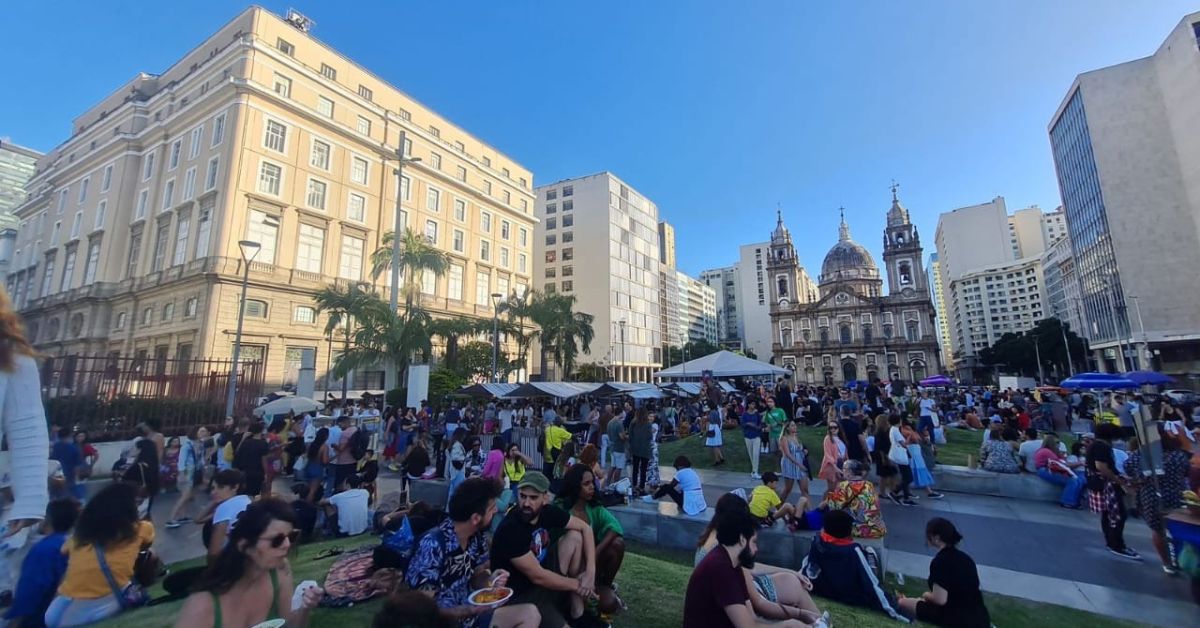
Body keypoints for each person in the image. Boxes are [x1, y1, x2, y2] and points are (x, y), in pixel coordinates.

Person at [405, 477, 539, 627]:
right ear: (475, 518)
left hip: (471, 617)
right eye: (491, 507)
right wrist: (468, 611)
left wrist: (491, 581)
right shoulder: (432, 544)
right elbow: (424, 607)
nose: (496, 510)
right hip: (442, 622)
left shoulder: (477, 537)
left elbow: (477, 576)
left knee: (530, 614)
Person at [176, 498, 323, 628]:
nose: (286, 545)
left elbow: (290, 625)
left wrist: (305, 608)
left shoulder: (279, 572)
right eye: (276, 540)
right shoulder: (202, 605)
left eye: (291, 536)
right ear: (245, 547)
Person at [489, 472, 606, 628]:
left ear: (545, 497)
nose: (526, 503)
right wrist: (581, 586)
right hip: (522, 596)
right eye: (523, 496)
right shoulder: (511, 529)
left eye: (533, 497)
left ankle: (577, 613)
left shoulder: (547, 512)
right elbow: (539, 577)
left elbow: (585, 528)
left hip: (543, 579)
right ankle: (562, 612)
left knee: (575, 537)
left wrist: (590, 573)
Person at [684, 502, 815, 628]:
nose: (756, 549)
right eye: (753, 542)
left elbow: (752, 618)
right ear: (742, 539)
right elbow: (748, 626)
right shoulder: (721, 569)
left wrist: (801, 615)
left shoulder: (732, 563)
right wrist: (788, 625)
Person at [45, 483, 154, 626]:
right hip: (111, 599)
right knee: (150, 554)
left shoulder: (79, 536)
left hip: (63, 609)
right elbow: (147, 545)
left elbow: (63, 551)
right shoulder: (141, 529)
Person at [800, 510, 906, 622]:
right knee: (870, 552)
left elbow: (805, 570)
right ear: (847, 532)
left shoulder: (817, 543)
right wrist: (899, 613)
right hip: (850, 596)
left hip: (822, 590)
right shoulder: (853, 551)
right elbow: (872, 585)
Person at [554, 464, 626, 614]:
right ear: (575, 486)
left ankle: (604, 585)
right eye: (586, 484)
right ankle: (572, 598)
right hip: (565, 573)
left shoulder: (593, 508)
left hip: (589, 568)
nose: (592, 487)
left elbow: (616, 528)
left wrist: (595, 551)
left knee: (617, 544)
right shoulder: (560, 509)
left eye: (592, 482)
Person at [897, 518, 990, 627]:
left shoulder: (940, 562)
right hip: (979, 617)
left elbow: (940, 599)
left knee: (902, 602)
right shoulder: (967, 559)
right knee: (917, 602)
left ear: (936, 538)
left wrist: (926, 595)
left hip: (955, 617)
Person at [1124, 427, 1191, 573]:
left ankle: (1167, 563)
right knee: (1179, 530)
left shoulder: (1142, 455)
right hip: (1177, 496)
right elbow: (1187, 471)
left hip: (1151, 497)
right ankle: (1181, 560)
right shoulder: (1178, 455)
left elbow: (1128, 467)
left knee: (1158, 531)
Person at [5, 498, 78, 627]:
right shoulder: (79, 543)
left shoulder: (43, 550)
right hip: (72, 614)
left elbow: (29, 596)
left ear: (47, 520)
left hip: (41, 621)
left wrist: (13, 623)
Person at [1086, 423, 1140, 560]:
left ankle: (1112, 542)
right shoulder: (1102, 447)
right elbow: (1101, 466)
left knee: (1108, 514)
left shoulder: (1096, 445)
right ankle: (1116, 544)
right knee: (1117, 514)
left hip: (1099, 482)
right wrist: (1117, 479)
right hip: (1107, 484)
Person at [821, 460, 886, 539]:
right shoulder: (869, 484)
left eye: (844, 469)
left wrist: (828, 499)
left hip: (861, 529)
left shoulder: (844, 486)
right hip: (878, 529)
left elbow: (834, 508)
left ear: (850, 472)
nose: (842, 471)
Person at [202, 470, 251, 564]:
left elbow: (214, 551)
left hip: (234, 561)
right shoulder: (247, 501)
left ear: (235, 487)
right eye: (213, 488)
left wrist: (211, 571)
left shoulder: (224, 508)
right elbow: (198, 520)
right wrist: (215, 501)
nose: (214, 492)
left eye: (220, 487)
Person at [168, 426, 211, 528]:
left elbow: (201, 460)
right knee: (185, 496)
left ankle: (183, 516)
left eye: (204, 431)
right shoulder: (187, 446)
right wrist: (181, 474)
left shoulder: (200, 444)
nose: (204, 433)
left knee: (188, 496)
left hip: (195, 473)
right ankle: (172, 518)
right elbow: (181, 461)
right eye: (201, 431)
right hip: (187, 474)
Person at [1033, 434, 1085, 509]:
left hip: (1051, 469)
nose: (1059, 444)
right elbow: (1062, 463)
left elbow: (1063, 460)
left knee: (1078, 480)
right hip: (1044, 470)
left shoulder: (1052, 451)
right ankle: (1067, 502)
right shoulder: (1046, 451)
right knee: (1072, 480)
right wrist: (1079, 463)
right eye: (1057, 442)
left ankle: (1074, 502)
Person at [232, 421, 270, 498]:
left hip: (245, 470)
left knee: (244, 492)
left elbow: (237, 452)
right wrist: (266, 473)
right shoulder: (263, 444)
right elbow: (264, 460)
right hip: (257, 472)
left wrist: (243, 439)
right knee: (254, 493)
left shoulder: (246, 442)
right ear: (261, 431)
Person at [886, 415, 916, 506]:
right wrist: (910, 438)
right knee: (908, 477)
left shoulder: (893, 430)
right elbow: (904, 444)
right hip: (901, 457)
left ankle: (905, 496)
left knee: (906, 477)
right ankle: (895, 492)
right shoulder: (895, 430)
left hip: (898, 456)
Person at [777, 422, 810, 504]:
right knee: (788, 489)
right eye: (792, 425)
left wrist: (804, 451)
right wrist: (799, 464)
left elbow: (798, 450)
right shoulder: (784, 438)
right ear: (787, 428)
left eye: (795, 425)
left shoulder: (796, 437)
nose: (795, 427)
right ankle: (778, 505)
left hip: (800, 463)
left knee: (805, 489)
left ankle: (809, 511)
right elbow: (787, 454)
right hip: (789, 464)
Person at [49, 428, 83, 501]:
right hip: (69, 479)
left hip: (55, 478)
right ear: (69, 436)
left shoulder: (54, 448)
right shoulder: (74, 449)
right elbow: (77, 467)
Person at [628, 411, 653, 497]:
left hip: (635, 448)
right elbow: (650, 436)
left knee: (635, 468)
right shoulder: (648, 424)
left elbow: (630, 435)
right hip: (645, 449)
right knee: (643, 469)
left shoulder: (633, 423)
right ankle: (642, 487)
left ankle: (634, 485)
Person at [331, 415, 360, 489]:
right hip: (354, 459)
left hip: (343, 462)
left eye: (340, 425)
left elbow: (341, 449)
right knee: (351, 481)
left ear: (344, 423)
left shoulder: (345, 433)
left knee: (340, 483)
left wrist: (333, 445)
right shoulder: (355, 429)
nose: (339, 427)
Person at [303, 427, 331, 504]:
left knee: (308, 488)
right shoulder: (324, 447)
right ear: (326, 436)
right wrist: (331, 459)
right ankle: (307, 506)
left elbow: (307, 455)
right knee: (312, 491)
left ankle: (305, 503)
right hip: (317, 468)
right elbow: (325, 461)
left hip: (308, 467)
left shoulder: (311, 444)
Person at [818, 421, 845, 487]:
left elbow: (845, 453)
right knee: (832, 489)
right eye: (830, 428)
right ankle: (827, 497)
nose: (833, 429)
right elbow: (828, 454)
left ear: (838, 428)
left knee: (840, 487)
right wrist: (835, 468)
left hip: (842, 463)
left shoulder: (841, 439)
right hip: (832, 465)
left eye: (835, 427)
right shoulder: (828, 438)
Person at [741, 401, 764, 480]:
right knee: (751, 454)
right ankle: (753, 471)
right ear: (748, 404)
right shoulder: (744, 414)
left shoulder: (756, 414)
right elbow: (742, 424)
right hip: (747, 436)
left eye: (754, 404)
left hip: (756, 435)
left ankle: (755, 471)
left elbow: (760, 423)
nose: (753, 405)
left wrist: (758, 427)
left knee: (756, 453)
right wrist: (748, 424)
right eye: (751, 404)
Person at [605, 413, 628, 485]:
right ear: (621, 413)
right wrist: (627, 437)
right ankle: (616, 484)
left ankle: (608, 483)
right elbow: (622, 437)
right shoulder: (619, 423)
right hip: (619, 448)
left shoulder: (610, 422)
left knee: (613, 466)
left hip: (612, 447)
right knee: (619, 467)